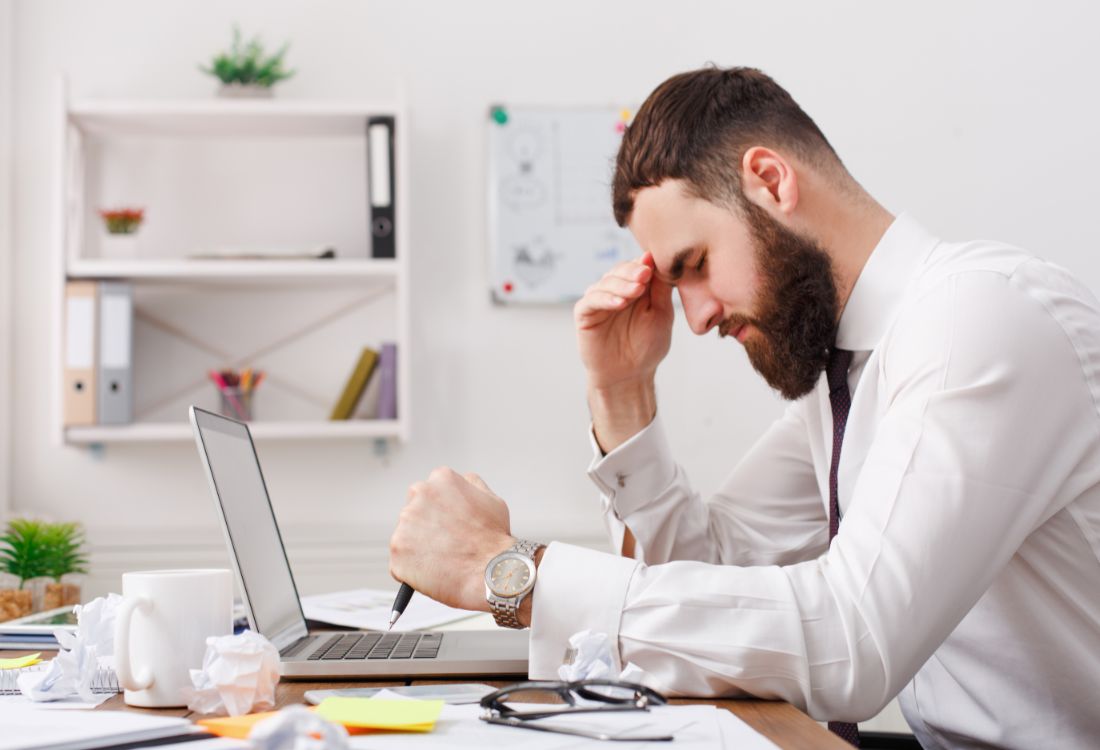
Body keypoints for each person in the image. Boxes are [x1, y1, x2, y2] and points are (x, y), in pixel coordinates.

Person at [388, 66, 1100, 749]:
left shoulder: (978, 320)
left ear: (769, 180)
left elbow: (850, 640)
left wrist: (518, 574)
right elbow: (714, 572)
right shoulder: (847, 373)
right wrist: (622, 391)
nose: (695, 318)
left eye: (694, 265)